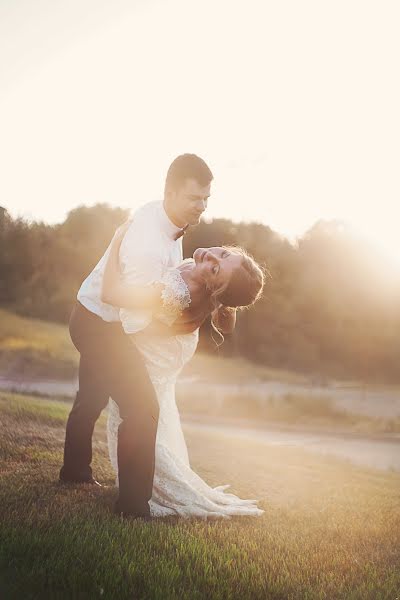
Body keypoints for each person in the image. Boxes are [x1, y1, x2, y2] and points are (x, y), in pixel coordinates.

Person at [59, 154, 214, 519]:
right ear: (171, 193)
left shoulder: (162, 218)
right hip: (99, 323)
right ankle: (133, 507)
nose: (202, 207)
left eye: (207, 198)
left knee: (92, 397)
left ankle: (74, 473)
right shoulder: (147, 243)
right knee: (142, 408)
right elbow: (129, 313)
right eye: (195, 199)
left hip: (96, 315)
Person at [103, 223, 265, 519]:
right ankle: (136, 480)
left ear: (215, 288)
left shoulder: (180, 291)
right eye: (225, 253)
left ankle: (149, 485)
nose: (211, 257)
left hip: (158, 351)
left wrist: (114, 245)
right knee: (156, 413)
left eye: (216, 270)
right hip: (173, 343)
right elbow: (222, 314)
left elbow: (113, 294)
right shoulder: (200, 274)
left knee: (135, 413)